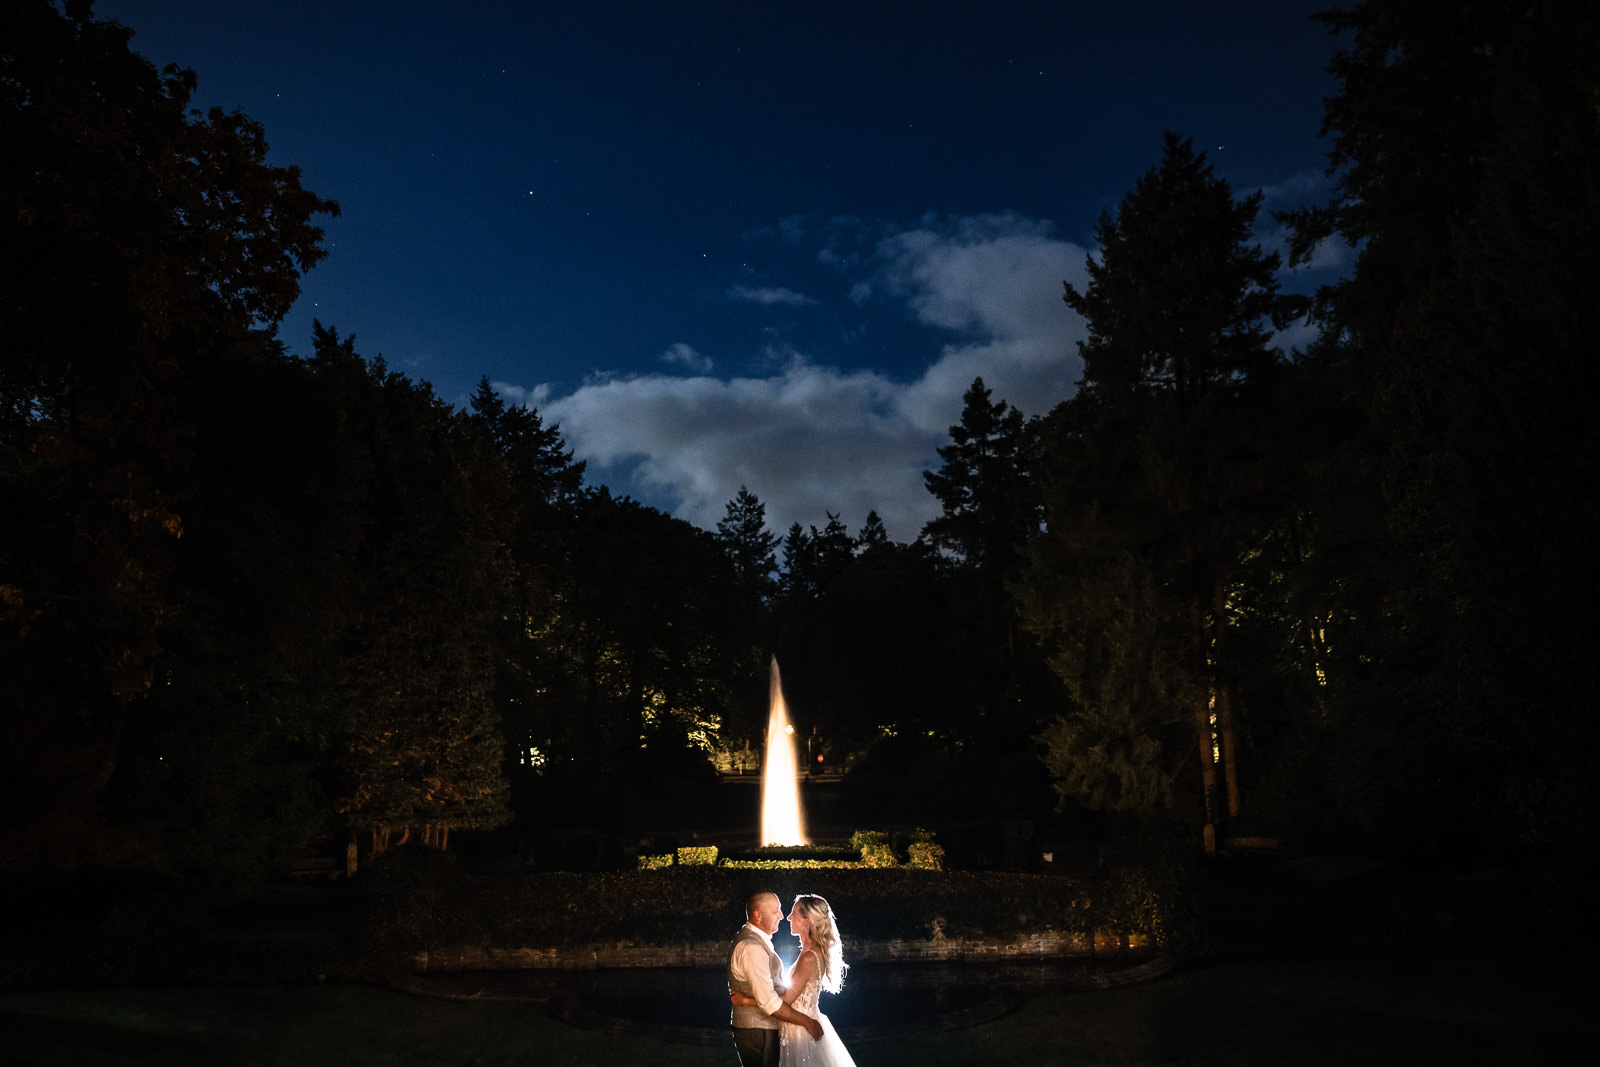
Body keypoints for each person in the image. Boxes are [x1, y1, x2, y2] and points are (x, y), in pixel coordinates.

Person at [731, 894, 857, 1067]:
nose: (787, 917)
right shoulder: (810, 952)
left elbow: (787, 1000)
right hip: (799, 1024)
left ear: (807, 921)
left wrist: (745, 1000)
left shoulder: (809, 957)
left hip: (801, 1030)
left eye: (794, 913)